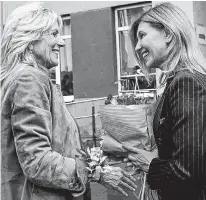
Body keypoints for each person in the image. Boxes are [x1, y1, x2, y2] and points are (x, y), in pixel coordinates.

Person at [1, 2, 137, 200]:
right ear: (30, 39)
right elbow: (37, 162)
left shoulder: (20, 78)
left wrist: (92, 163)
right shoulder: (29, 79)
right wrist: (95, 172)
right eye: (54, 34)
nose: (62, 42)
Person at [123, 2, 206, 200]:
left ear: (168, 33)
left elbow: (188, 172)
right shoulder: (184, 79)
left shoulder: (186, 82)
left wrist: (149, 164)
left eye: (142, 35)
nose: (137, 46)